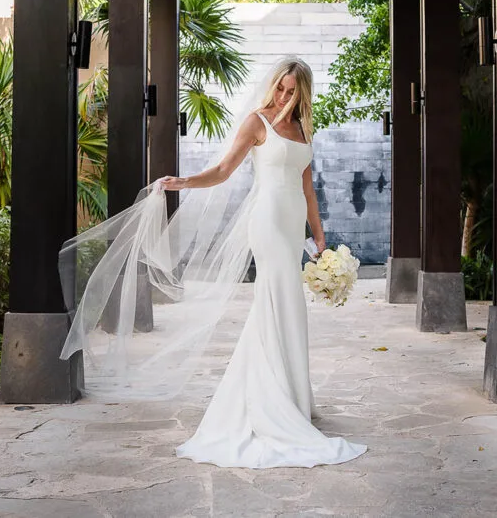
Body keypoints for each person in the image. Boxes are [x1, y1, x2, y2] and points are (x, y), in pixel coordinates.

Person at [58, 56, 366, 469]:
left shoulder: (302, 127)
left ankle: (292, 395)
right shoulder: (259, 122)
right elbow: (223, 170)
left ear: (303, 93)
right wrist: (183, 182)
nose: (283, 96)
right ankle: (271, 400)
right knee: (275, 300)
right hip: (268, 221)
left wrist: (320, 236)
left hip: (293, 224)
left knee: (288, 304)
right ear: (273, 84)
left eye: (292, 91)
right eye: (280, 87)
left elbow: (308, 188)